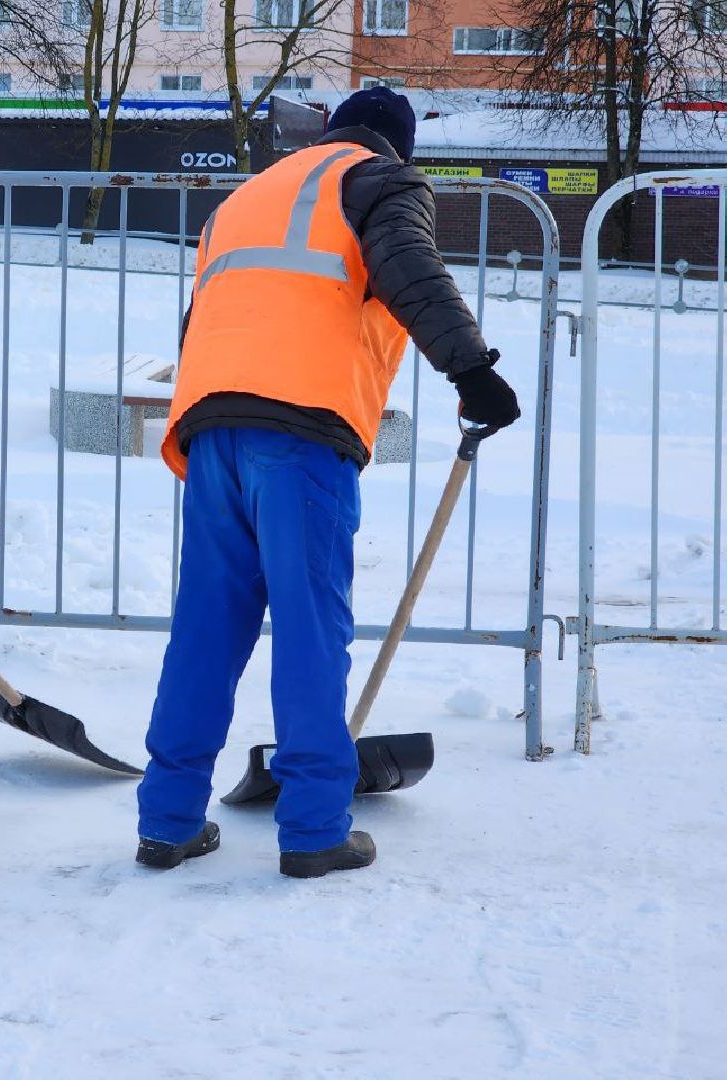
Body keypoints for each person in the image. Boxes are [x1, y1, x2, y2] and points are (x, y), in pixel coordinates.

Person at [134, 87, 522, 877]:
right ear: (395, 146)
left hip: (211, 426)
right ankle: (313, 829)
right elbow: (411, 270)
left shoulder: (249, 197)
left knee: (204, 631)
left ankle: (167, 821)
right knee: (312, 631)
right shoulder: (379, 180)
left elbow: (201, 316)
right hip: (301, 430)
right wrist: (473, 371)